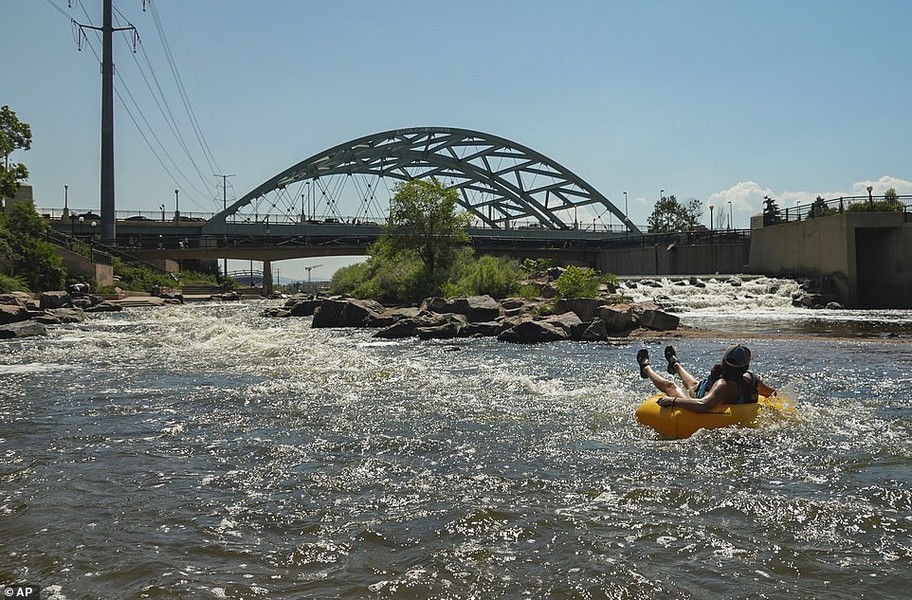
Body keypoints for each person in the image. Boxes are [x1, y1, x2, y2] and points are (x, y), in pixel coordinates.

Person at [636, 344, 776, 413]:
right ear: (746, 365)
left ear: (724, 360)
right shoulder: (751, 378)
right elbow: (772, 393)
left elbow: (702, 405)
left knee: (673, 386)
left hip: (705, 394)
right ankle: (671, 365)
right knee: (693, 384)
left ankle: (648, 367)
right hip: (709, 389)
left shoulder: (723, 385)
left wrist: (673, 400)